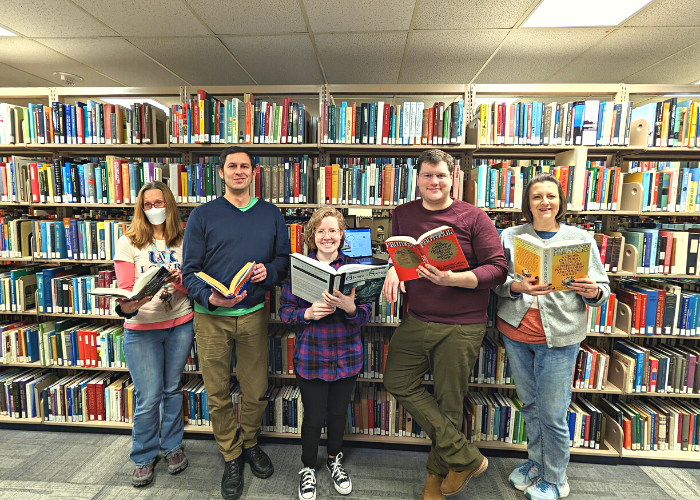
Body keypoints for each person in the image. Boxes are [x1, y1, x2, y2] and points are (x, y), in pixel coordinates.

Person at [381, 149, 508, 500]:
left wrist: (457, 279)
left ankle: (433, 481)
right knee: (396, 379)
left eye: (441, 175)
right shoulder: (402, 214)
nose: (434, 182)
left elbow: (497, 269)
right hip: (418, 318)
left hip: (461, 324)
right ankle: (465, 457)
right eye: (427, 175)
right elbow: (402, 253)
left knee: (449, 402)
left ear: (452, 177)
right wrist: (393, 266)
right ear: (417, 179)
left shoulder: (473, 216)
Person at [182, 146, 290, 500]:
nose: (239, 171)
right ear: (222, 172)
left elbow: (283, 261)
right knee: (216, 393)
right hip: (211, 319)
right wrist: (208, 296)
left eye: (245, 166)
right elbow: (190, 271)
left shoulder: (271, 214)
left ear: (253, 172)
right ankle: (231, 454)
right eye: (232, 166)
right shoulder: (202, 215)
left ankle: (249, 443)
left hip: (254, 314)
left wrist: (268, 271)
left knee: (255, 388)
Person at [493, 173, 610, 500]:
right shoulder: (510, 237)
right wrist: (516, 286)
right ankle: (536, 461)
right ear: (527, 204)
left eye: (551, 196)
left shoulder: (581, 239)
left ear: (560, 202)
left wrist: (592, 291)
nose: (544, 202)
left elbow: (602, 291)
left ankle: (556, 477)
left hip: (560, 337)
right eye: (537, 197)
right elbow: (496, 282)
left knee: (553, 411)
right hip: (517, 333)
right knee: (530, 404)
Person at [279, 207, 372, 500]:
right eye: (321, 231)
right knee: (313, 416)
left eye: (333, 231)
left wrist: (350, 308)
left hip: (347, 356)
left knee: (337, 413)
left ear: (342, 235)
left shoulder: (356, 269)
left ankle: (334, 459)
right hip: (312, 356)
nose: (327, 236)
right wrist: (306, 313)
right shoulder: (299, 269)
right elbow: (284, 312)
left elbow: (366, 315)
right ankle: (308, 467)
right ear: (312, 235)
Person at [114, 180, 194, 487]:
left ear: (169, 204)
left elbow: (193, 288)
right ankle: (144, 456)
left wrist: (179, 281)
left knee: (172, 389)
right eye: (147, 205)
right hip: (141, 330)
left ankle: (172, 447)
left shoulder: (184, 240)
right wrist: (135, 301)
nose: (153, 209)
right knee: (148, 397)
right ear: (140, 208)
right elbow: (124, 296)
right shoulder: (129, 241)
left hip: (180, 324)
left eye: (159, 203)